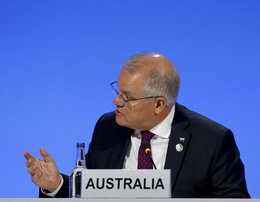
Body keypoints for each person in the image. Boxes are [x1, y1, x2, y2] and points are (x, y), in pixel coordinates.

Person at [24, 53, 250, 198]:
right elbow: (91, 195)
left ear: (158, 104)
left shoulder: (211, 139)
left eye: (127, 97)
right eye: (117, 91)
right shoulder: (108, 127)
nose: (116, 102)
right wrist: (56, 185)